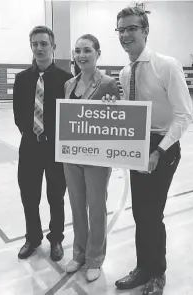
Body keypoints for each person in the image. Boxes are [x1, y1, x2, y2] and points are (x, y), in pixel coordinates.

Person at [113, 6, 193, 295]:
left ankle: (157, 273)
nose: (125, 34)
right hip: (138, 145)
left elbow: (184, 115)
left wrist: (158, 150)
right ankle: (142, 267)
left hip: (164, 145)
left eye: (131, 28)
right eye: (121, 29)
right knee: (139, 213)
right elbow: (133, 115)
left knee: (152, 213)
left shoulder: (167, 65)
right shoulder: (124, 73)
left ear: (145, 30)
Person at [63, 34, 120, 282]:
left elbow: (119, 117)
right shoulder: (68, 84)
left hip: (97, 156)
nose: (81, 55)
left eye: (87, 50)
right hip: (71, 155)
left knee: (96, 208)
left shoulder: (108, 83)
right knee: (76, 207)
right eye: (77, 51)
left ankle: (95, 258)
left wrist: (112, 106)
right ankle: (79, 254)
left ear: (98, 53)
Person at [13, 26, 73, 261]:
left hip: (55, 148)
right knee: (29, 195)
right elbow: (18, 113)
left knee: (55, 196)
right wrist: (32, 134)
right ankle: (33, 237)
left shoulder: (67, 80)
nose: (39, 48)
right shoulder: (22, 79)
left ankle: (56, 238)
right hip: (29, 147)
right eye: (35, 44)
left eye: (43, 44)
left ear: (53, 47)